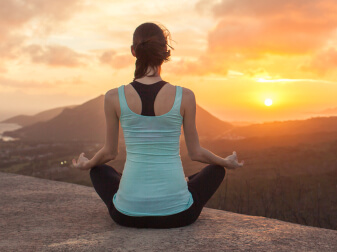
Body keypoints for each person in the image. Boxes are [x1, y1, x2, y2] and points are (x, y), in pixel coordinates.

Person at [71, 22, 244, 229]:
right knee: (217, 170)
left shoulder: (113, 97)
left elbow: (109, 153)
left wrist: (86, 164)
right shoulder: (185, 96)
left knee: (98, 170)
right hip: (178, 215)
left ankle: (137, 189)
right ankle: (180, 183)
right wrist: (225, 161)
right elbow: (196, 153)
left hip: (126, 215)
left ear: (133, 51)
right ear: (165, 52)